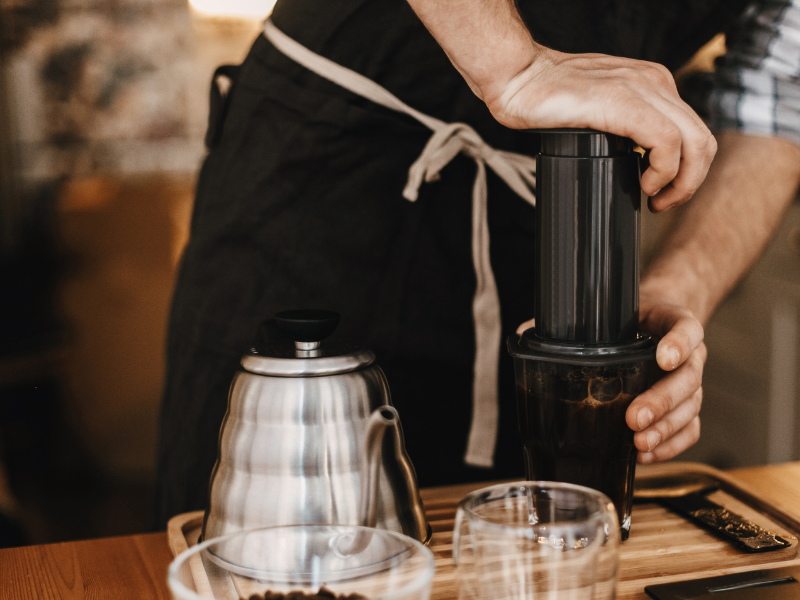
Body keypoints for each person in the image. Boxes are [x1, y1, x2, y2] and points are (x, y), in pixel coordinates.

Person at [152, 0, 800, 526]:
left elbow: (776, 101)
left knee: (514, 549)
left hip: (542, 236)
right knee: (257, 524)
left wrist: (668, 295)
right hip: (325, 177)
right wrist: (512, 67)